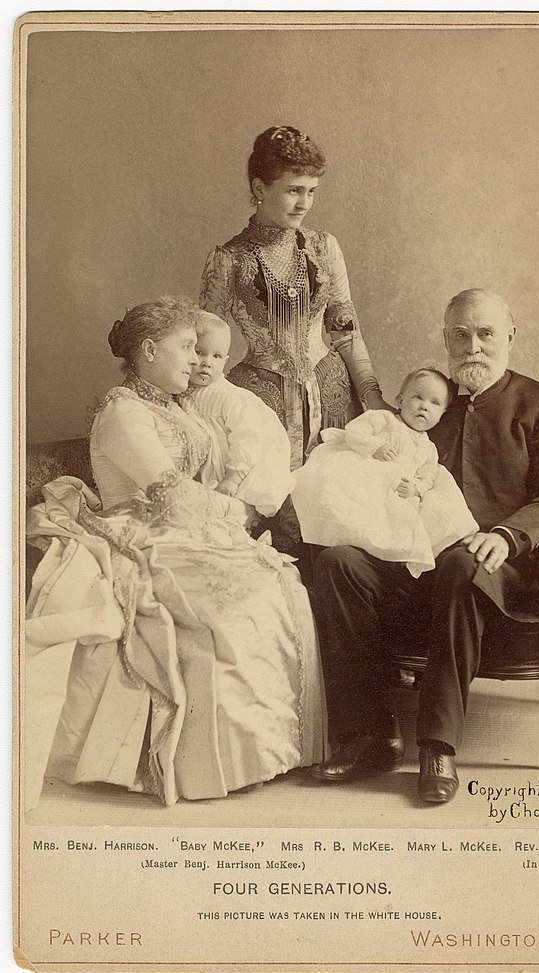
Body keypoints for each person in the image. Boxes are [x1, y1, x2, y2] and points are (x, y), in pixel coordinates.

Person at [25, 296, 326, 809]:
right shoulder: (123, 412)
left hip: (183, 528)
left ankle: (270, 751)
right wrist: (238, 516)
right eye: (186, 347)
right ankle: (217, 762)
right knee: (226, 603)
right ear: (148, 351)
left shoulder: (169, 404)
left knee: (273, 582)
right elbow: (170, 493)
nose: (195, 359)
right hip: (141, 531)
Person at [311, 288, 539, 804]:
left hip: (492, 564)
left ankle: (438, 745)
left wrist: (506, 535)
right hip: (414, 555)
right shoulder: (430, 403)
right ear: (445, 339)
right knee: (338, 562)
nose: (473, 347)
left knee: (463, 560)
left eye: (486, 334)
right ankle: (368, 736)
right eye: (460, 335)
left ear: (510, 336)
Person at [199, 125, 387, 472]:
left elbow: (346, 334)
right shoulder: (228, 259)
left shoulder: (324, 247)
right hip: (261, 404)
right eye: (293, 191)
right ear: (259, 188)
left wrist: (373, 400)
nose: (304, 203)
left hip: (334, 397)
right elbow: (203, 350)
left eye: (312, 191)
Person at [291, 367, 477, 577]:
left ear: (442, 413)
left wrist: (415, 489)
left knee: (402, 522)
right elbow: (354, 431)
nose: (424, 407)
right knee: (344, 508)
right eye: (418, 397)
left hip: (393, 493)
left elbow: (429, 476)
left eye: (435, 403)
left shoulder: (428, 449)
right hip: (366, 480)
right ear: (400, 400)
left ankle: (387, 559)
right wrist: (375, 446)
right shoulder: (384, 420)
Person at [181, 311, 293, 518]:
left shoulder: (230, 398)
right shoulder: (180, 391)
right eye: (199, 352)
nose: (207, 362)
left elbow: (249, 438)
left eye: (216, 356)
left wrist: (232, 478)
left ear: (226, 360)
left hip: (227, 475)